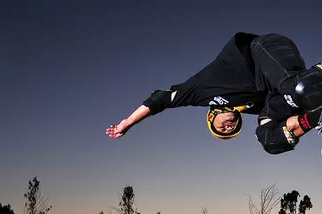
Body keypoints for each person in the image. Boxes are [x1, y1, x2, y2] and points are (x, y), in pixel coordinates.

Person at [106, 32, 322, 155]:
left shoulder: (201, 92)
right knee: (268, 138)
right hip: (279, 88)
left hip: (263, 50)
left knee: (298, 89)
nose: (229, 127)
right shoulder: (253, 107)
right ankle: (318, 117)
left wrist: (128, 122)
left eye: (222, 128)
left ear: (212, 116)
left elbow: (160, 99)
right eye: (230, 130)